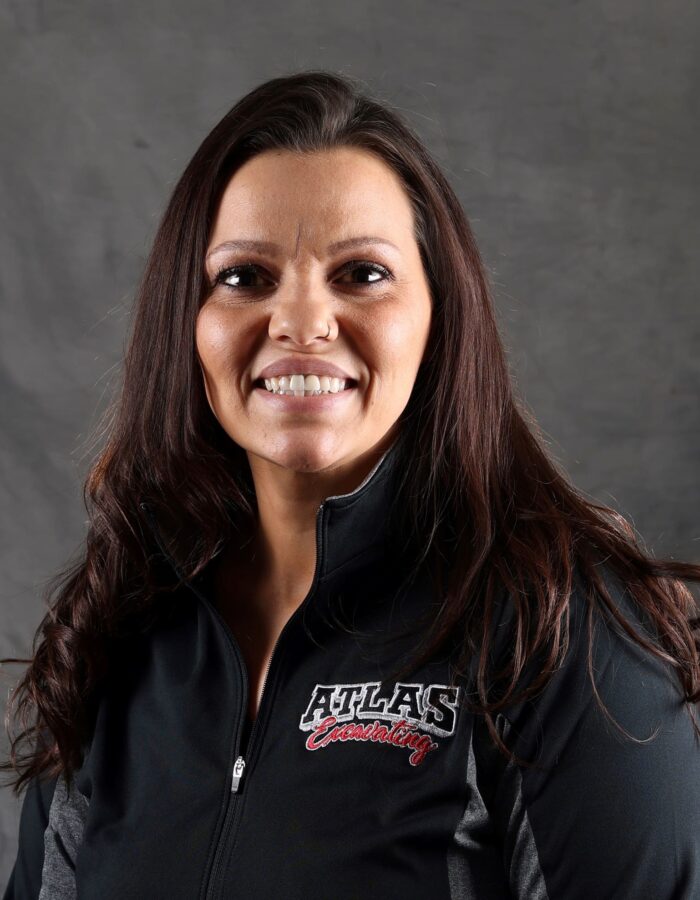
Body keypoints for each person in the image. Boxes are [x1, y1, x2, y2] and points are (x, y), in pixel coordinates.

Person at [2, 69, 699, 900]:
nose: (299, 322)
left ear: (441, 317)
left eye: (362, 274)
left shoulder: (558, 630)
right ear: (184, 323)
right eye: (243, 277)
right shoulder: (118, 634)